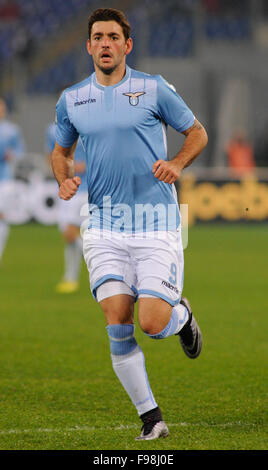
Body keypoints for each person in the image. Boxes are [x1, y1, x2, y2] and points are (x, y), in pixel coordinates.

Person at [51, 8, 208, 440]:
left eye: (113, 37)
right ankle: (152, 419)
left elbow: (197, 132)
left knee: (153, 322)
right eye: (98, 37)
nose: (105, 43)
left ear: (126, 45)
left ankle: (182, 314)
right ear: (88, 46)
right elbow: (60, 151)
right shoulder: (72, 99)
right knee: (117, 318)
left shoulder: (153, 89)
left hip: (155, 222)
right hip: (104, 225)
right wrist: (64, 178)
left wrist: (177, 162)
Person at [45, 120, 88, 293]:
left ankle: (103, 264)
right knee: (68, 234)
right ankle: (70, 278)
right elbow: (51, 155)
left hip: (89, 189)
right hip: (66, 187)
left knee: (75, 234)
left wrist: (85, 165)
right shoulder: (52, 130)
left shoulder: (91, 124)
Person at [0, 97, 25, 265]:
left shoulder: (11, 130)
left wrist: (12, 156)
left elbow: (20, 151)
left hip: (5, 180)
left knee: (1, 216)